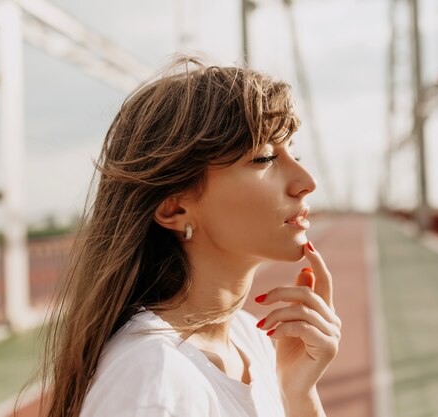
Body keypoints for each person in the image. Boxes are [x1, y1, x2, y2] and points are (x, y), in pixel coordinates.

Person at [39, 56, 341, 417]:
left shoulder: (251, 340)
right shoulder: (152, 381)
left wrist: (299, 393)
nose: (307, 182)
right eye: (264, 158)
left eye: (293, 152)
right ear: (174, 209)